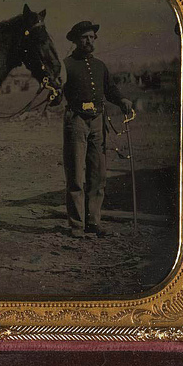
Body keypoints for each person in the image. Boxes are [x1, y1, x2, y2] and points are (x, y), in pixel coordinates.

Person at [62, 21, 134, 238]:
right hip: (75, 121)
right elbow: (57, 91)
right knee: (75, 174)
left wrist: (122, 100)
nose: (89, 41)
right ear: (75, 40)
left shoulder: (100, 66)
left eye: (92, 37)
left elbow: (110, 89)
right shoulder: (66, 65)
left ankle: (93, 222)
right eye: (85, 37)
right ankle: (76, 225)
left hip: (98, 122)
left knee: (98, 174)